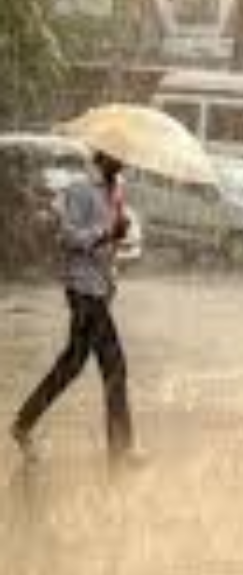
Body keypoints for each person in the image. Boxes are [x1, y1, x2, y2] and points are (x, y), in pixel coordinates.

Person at [11, 150, 138, 468]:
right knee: (115, 368)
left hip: (100, 288)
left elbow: (108, 244)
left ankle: (23, 423)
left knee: (71, 364)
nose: (124, 161)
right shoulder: (81, 190)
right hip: (83, 291)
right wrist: (106, 234)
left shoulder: (117, 189)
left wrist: (118, 235)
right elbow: (68, 237)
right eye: (118, 156)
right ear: (103, 156)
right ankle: (120, 450)